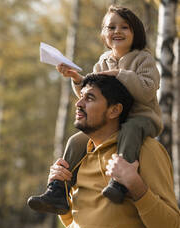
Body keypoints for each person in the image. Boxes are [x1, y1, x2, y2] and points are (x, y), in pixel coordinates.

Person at [28, 5, 162, 214]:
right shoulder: (103, 61)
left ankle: (120, 182)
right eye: (111, 27)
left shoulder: (143, 59)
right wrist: (77, 79)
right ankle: (58, 190)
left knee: (131, 129)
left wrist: (119, 74)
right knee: (76, 140)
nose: (117, 31)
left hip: (141, 118)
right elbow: (93, 96)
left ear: (135, 32)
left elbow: (146, 91)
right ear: (103, 34)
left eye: (124, 27)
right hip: (111, 122)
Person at [52, 74, 179, 228]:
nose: (79, 103)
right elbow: (82, 225)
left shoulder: (146, 150)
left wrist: (136, 186)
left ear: (114, 110)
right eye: (81, 97)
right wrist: (62, 192)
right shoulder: (80, 154)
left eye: (89, 98)